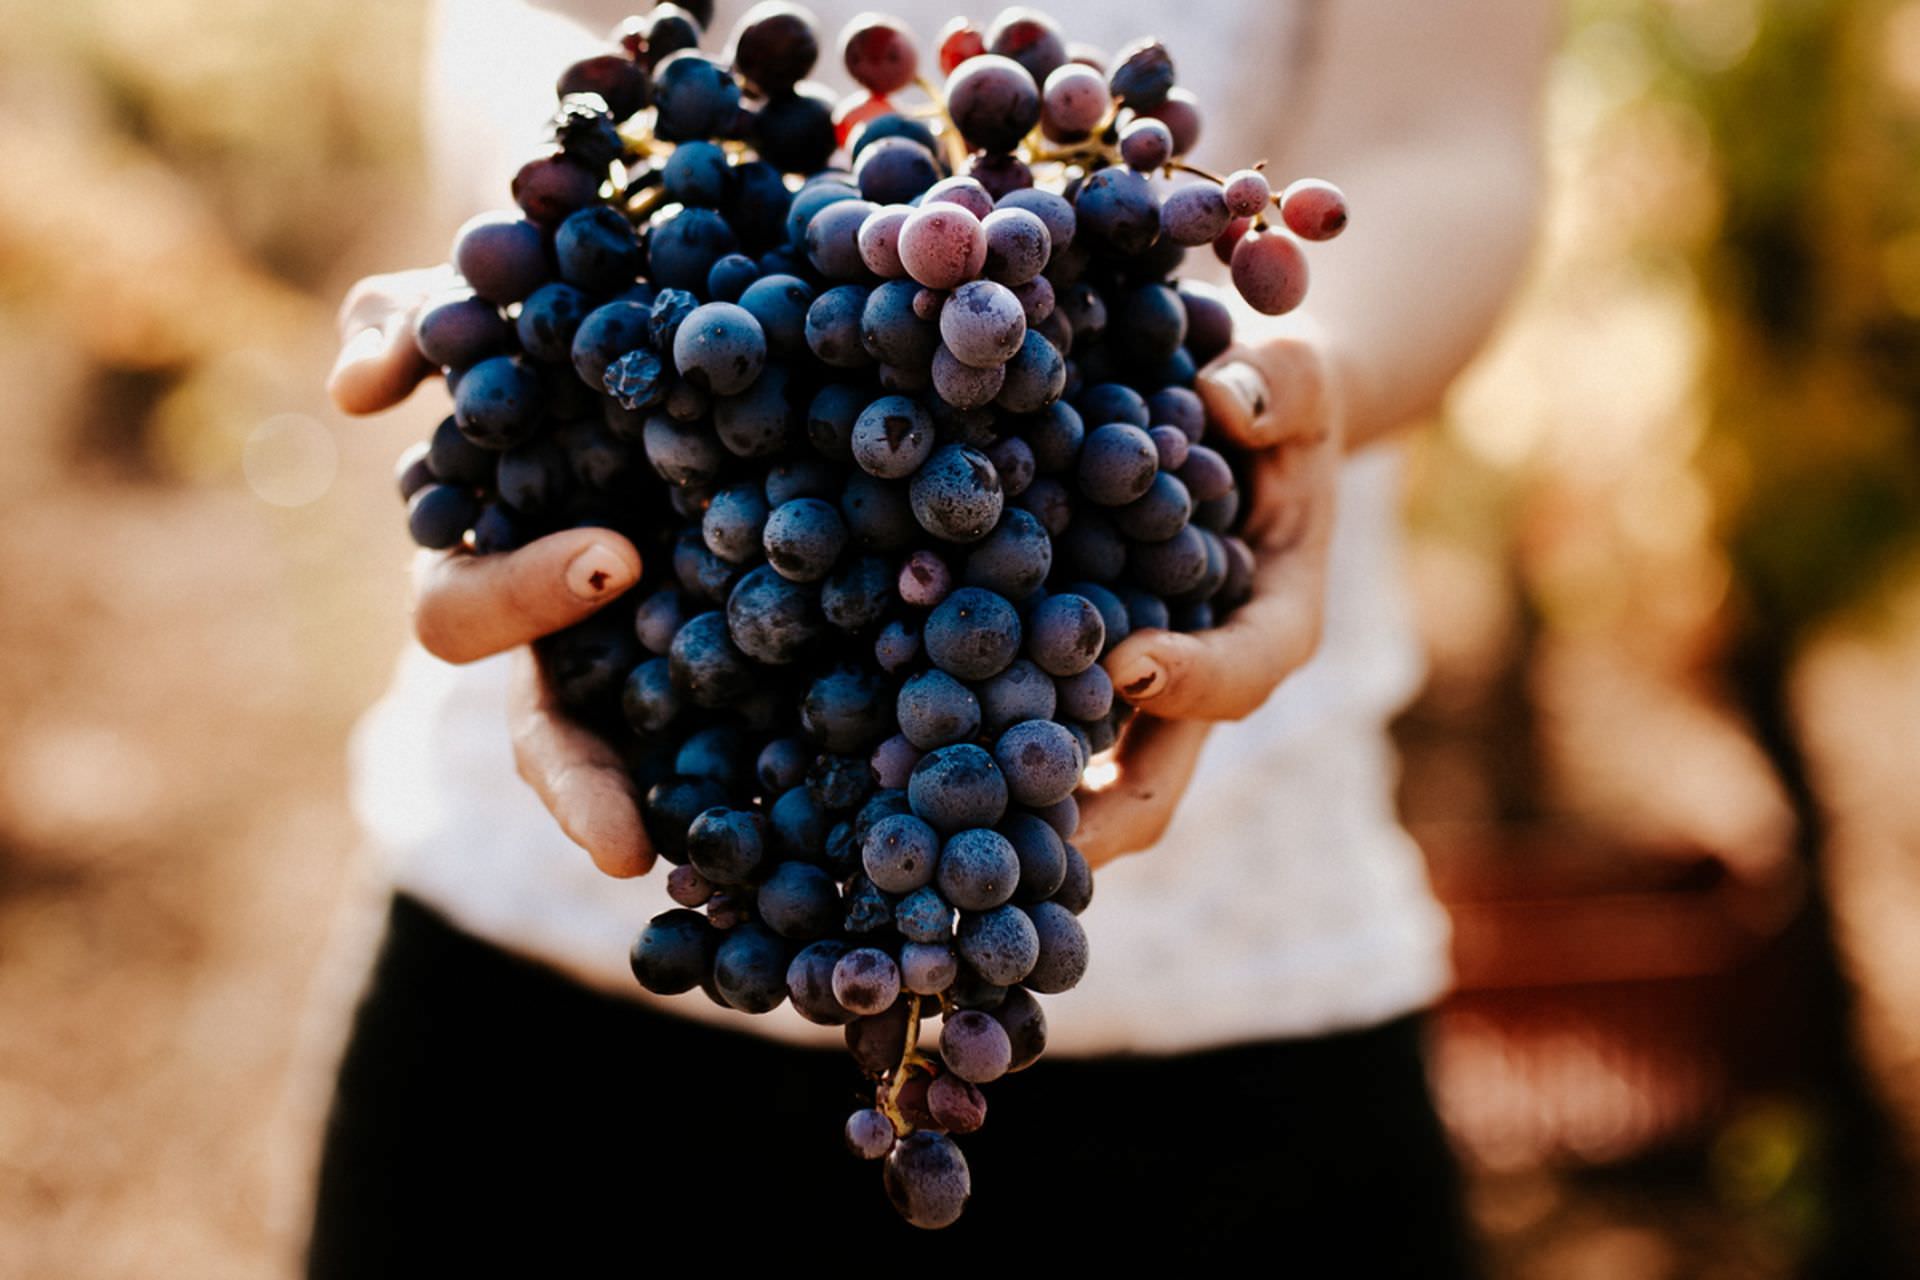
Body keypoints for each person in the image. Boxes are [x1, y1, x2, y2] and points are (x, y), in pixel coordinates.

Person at [312, 0, 1555, 1270]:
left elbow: (1440, 139)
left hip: (1246, 981)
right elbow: (528, 24)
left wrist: (1320, 377)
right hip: (543, 946)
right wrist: (578, 250)